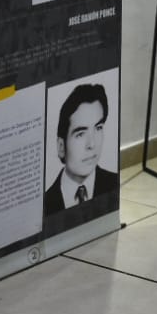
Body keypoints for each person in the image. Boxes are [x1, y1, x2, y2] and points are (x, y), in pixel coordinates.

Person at [43, 83, 118, 215]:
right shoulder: (45, 204)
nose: (92, 144)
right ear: (61, 146)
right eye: (80, 134)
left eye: (98, 128)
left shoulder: (114, 184)